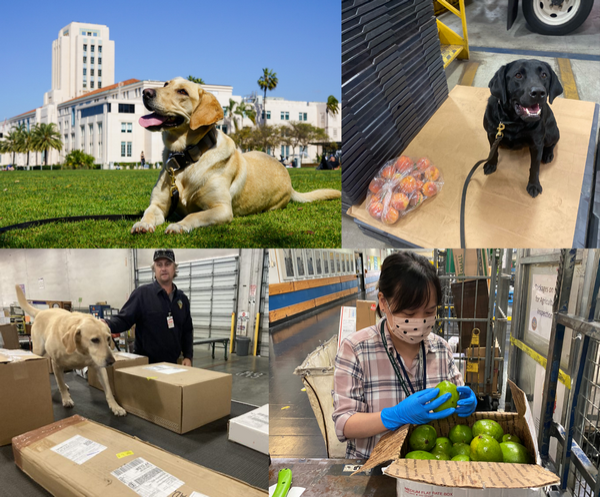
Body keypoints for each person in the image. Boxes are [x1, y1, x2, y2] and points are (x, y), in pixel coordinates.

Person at [332, 251, 477, 459]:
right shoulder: (356, 350)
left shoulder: (442, 350)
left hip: (430, 463)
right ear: (383, 302)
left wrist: (466, 405)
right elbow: (344, 423)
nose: (420, 320)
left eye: (428, 312)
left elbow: (455, 402)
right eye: (409, 314)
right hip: (374, 467)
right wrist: (394, 416)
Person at [105, 249, 193, 366]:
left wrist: (188, 356)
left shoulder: (182, 299)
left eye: (167, 264)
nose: (163, 268)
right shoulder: (142, 294)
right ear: (154, 269)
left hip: (173, 365)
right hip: (146, 365)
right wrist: (106, 324)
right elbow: (124, 319)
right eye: (159, 265)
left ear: (174, 268)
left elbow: (187, 330)